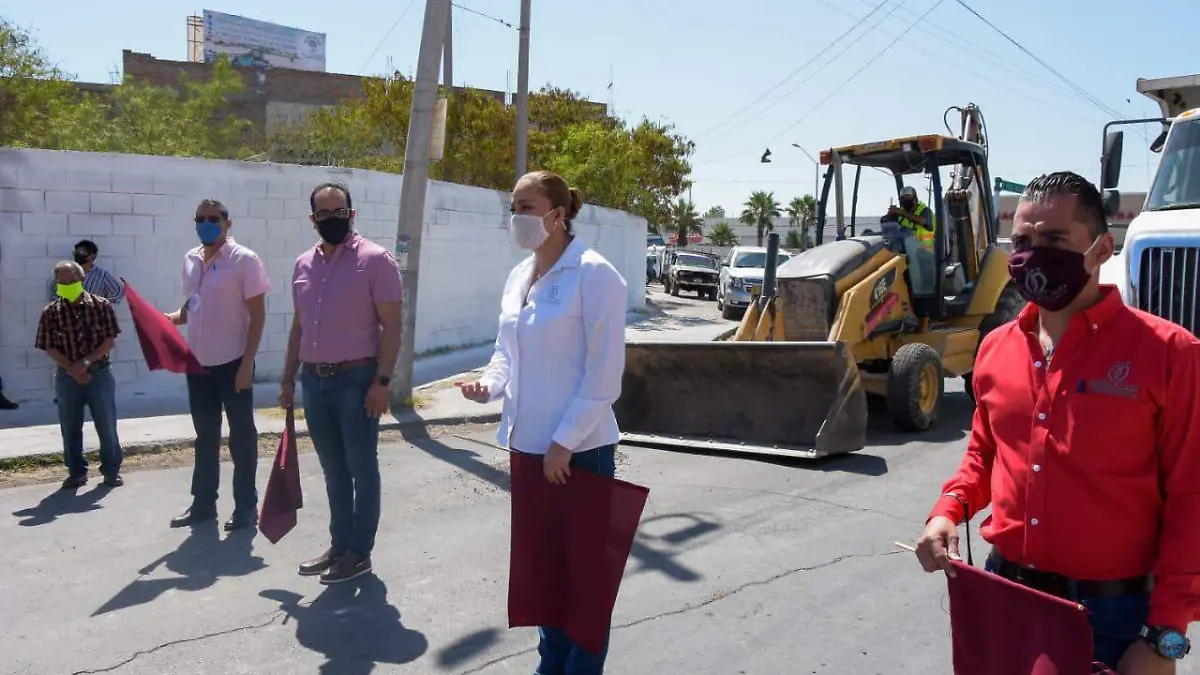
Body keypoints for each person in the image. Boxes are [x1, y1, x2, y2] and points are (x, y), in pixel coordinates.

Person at [913, 171, 1200, 673]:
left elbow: (1192, 498)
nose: (1032, 253)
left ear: (1102, 248)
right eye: (1022, 240)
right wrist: (948, 510)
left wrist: (1164, 635)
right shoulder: (996, 349)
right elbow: (985, 454)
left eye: (1054, 239)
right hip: (1005, 595)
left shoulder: (1171, 354)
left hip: (1113, 616)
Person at [457, 170, 628, 675]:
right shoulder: (519, 276)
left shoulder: (595, 275)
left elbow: (605, 374)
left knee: (584, 585)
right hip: (527, 448)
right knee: (546, 574)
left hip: (581, 453)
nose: (516, 217)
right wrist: (489, 385)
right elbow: (506, 352)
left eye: (525, 207)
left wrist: (565, 442)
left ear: (557, 215)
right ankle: (548, 668)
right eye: (513, 205)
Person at [280, 182, 403, 584]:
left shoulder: (375, 260)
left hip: (357, 380)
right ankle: (340, 543)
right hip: (314, 382)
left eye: (340, 212)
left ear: (352, 214)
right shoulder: (303, 264)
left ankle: (359, 552)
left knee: (361, 468)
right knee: (333, 469)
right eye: (324, 213)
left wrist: (382, 381)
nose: (332, 219)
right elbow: (298, 326)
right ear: (312, 218)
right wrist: (287, 380)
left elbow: (393, 326)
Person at [165, 199, 271, 531]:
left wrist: (247, 363)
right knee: (205, 437)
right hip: (198, 365)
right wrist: (166, 320)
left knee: (241, 438)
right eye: (201, 219)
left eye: (214, 219)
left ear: (228, 222)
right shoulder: (191, 260)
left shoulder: (244, 260)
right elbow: (193, 307)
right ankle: (203, 504)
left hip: (234, 363)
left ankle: (246, 508)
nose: (207, 224)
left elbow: (258, 315)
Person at [35, 260, 124, 490]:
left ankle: (111, 470)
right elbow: (49, 346)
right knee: (70, 426)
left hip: (99, 374)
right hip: (67, 378)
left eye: (71, 281)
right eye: (62, 282)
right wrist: (72, 369)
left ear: (82, 280)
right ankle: (76, 472)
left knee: (106, 424)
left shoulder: (101, 306)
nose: (66, 285)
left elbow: (109, 341)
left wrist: (83, 364)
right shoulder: (51, 312)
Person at [887, 185, 936, 295]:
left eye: (908, 198)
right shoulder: (901, 213)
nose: (905, 202)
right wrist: (890, 216)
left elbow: (924, 222)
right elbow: (893, 229)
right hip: (908, 251)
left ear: (914, 199)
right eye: (902, 199)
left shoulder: (924, 211)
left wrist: (902, 213)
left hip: (926, 252)